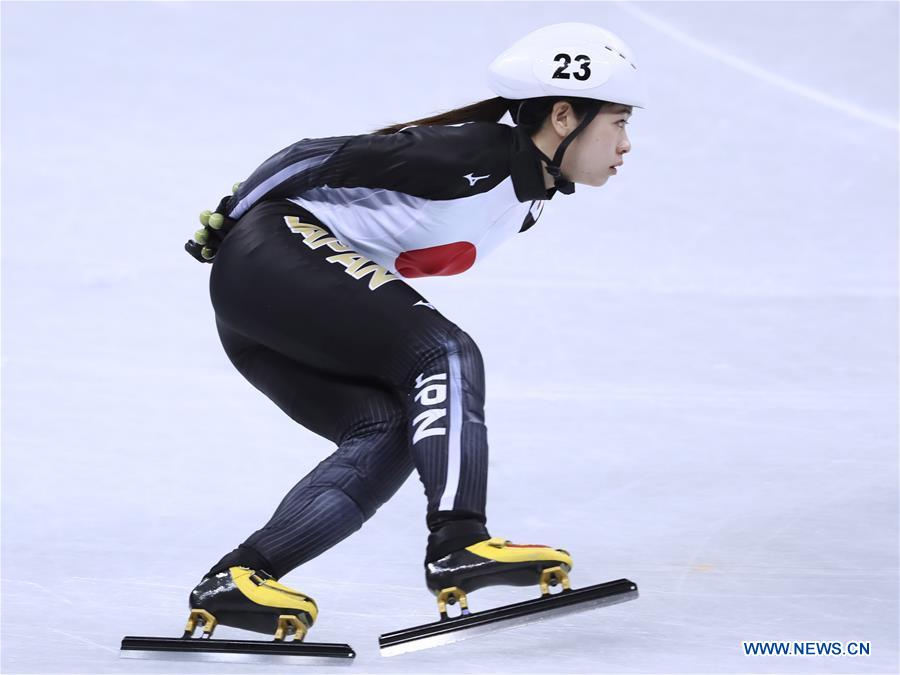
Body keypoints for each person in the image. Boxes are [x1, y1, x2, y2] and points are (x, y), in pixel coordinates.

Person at [183, 21, 647, 640]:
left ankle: (238, 577)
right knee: (444, 353)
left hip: (261, 314)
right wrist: (230, 217)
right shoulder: (481, 155)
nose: (626, 143)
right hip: (269, 258)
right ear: (564, 116)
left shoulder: (529, 201)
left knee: (391, 433)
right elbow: (310, 155)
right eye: (618, 121)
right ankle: (459, 540)